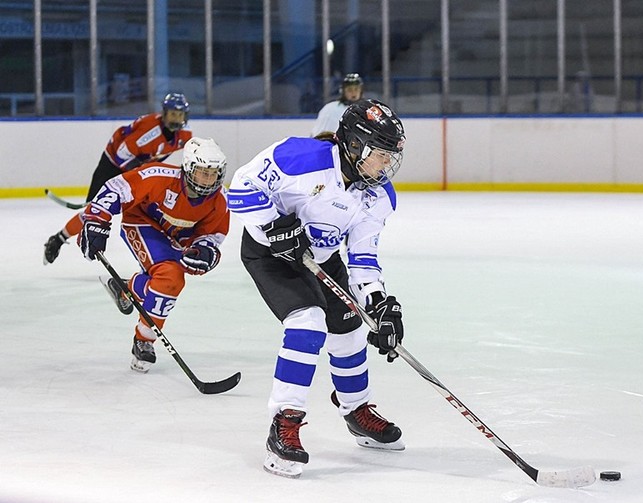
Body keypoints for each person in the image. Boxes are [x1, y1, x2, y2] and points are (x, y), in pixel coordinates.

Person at [227, 99, 406, 478]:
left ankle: (356, 409)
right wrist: (274, 224)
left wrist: (378, 303)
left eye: (390, 155)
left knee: (350, 328)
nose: (386, 163)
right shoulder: (299, 157)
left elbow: (362, 257)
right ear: (354, 145)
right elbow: (240, 187)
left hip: (322, 258)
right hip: (270, 254)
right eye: (380, 153)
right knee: (307, 323)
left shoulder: (378, 195)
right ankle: (284, 422)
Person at [78, 137, 229, 373]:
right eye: (203, 172)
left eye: (213, 174)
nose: (208, 180)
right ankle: (144, 340)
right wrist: (97, 219)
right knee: (170, 277)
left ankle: (126, 288)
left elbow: (212, 235)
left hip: (174, 238)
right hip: (141, 222)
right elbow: (116, 187)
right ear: (188, 168)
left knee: (169, 281)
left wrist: (206, 251)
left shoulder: (220, 200)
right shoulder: (158, 176)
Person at [43, 93, 193, 265]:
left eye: (180, 114)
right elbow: (122, 154)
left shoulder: (185, 135)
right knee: (93, 211)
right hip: (113, 163)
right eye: (173, 114)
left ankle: (157, 255)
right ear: (164, 113)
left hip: (138, 166)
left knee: (150, 211)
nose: (177, 118)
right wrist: (140, 174)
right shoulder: (149, 132)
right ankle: (58, 239)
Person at [310, 73, 364, 137]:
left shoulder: (365, 110)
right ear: (343, 91)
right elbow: (318, 134)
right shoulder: (331, 108)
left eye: (356, 89)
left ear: (361, 91)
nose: (353, 92)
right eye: (349, 89)